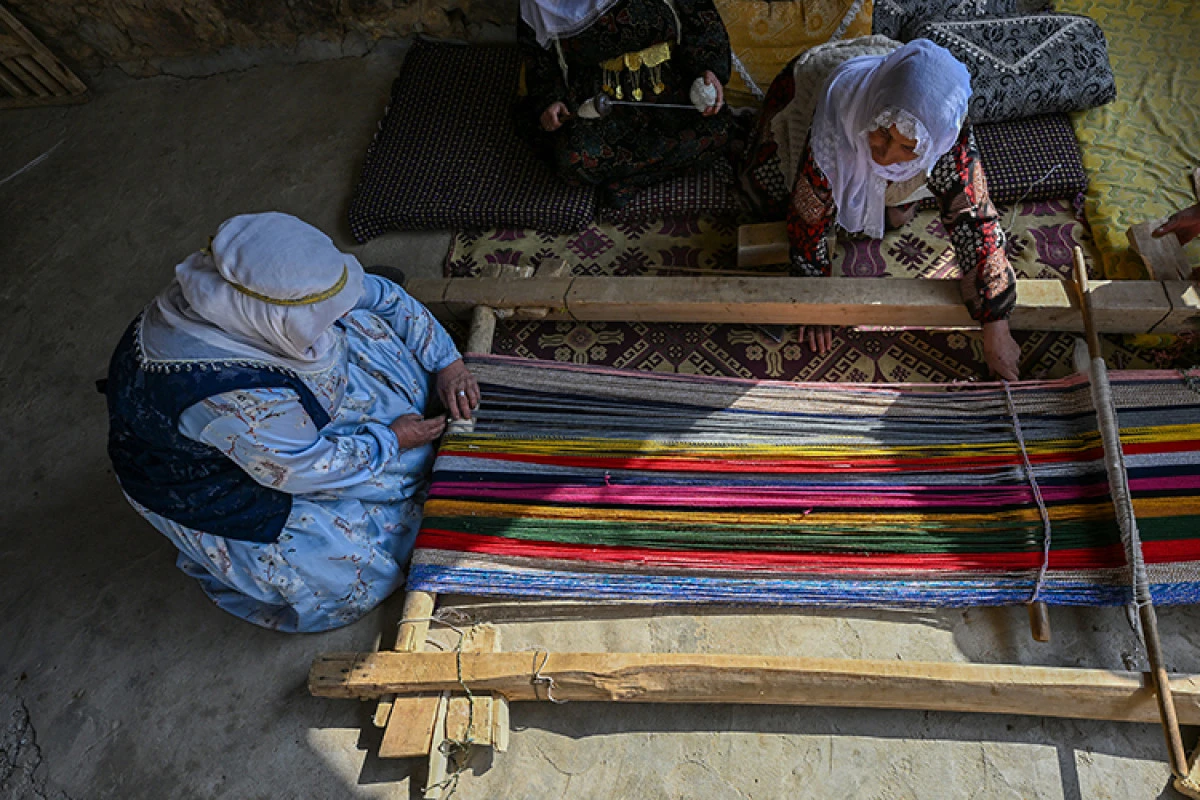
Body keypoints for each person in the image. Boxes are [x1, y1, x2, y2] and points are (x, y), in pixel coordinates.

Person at [104, 213, 479, 632]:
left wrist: (447, 361)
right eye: (316, 321)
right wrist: (389, 440)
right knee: (345, 571)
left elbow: (381, 297)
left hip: (270, 428)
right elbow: (298, 469)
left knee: (366, 330)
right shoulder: (221, 390)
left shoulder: (269, 293)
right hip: (222, 480)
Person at [744, 38, 1021, 381]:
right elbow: (808, 213)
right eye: (882, 134)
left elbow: (974, 219)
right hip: (816, 88)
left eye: (907, 147)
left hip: (896, 85)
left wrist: (996, 324)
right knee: (766, 192)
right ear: (875, 115)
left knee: (900, 210)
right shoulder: (840, 111)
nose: (886, 155)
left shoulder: (944, 126)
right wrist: (814, 297)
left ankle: (884, 192)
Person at [519, 0, 737, 205]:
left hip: (666, 85)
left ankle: (630, 181)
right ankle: (641, 174)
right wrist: (550, 100)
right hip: (598, 98)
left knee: (720, 132)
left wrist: (709, 68)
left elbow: (700, 15)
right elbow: (537, 56)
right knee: (572, 160)